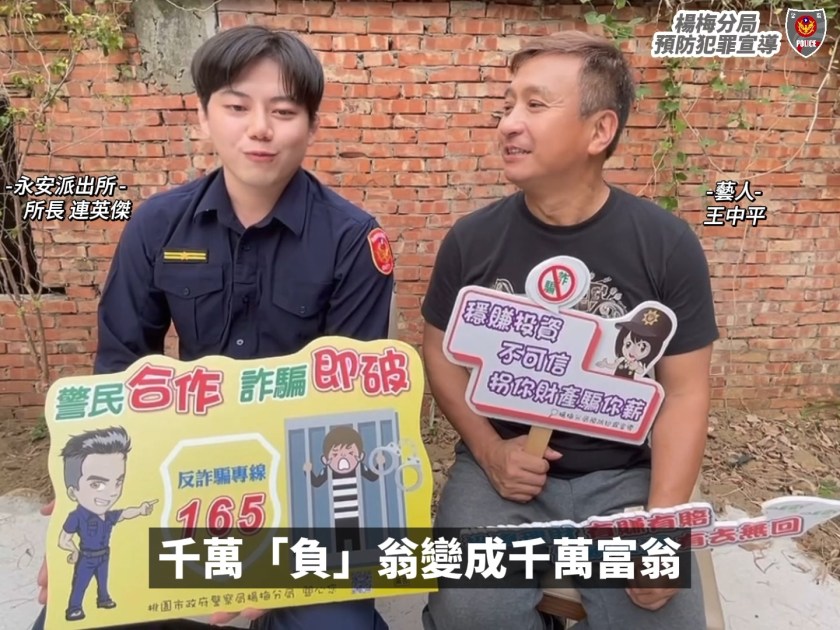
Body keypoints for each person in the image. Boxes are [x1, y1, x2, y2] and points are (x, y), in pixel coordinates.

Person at [33, 25, 393, 630]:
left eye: (284, 111)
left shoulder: (352, 241)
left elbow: (350, 406)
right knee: (75, 615)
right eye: (236, 106)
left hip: (305, 493)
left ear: (311, 124)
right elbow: (119, 373)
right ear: (203, 115)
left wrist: (276, 564)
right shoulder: (157, 226)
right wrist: (88, 499)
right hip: (183, 476)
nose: (260, 129)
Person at [420, 30, 718, 630]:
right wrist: (489, 450)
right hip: (503, 476)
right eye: (507, 104)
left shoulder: (666, 245)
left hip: (626, 477)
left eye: (535, 105)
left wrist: (660, 525)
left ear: (599, 130)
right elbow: (438, 349)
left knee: (662, 615)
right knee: (471, 613)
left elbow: (685, 391)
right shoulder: (472, 240)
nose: (508, 123)